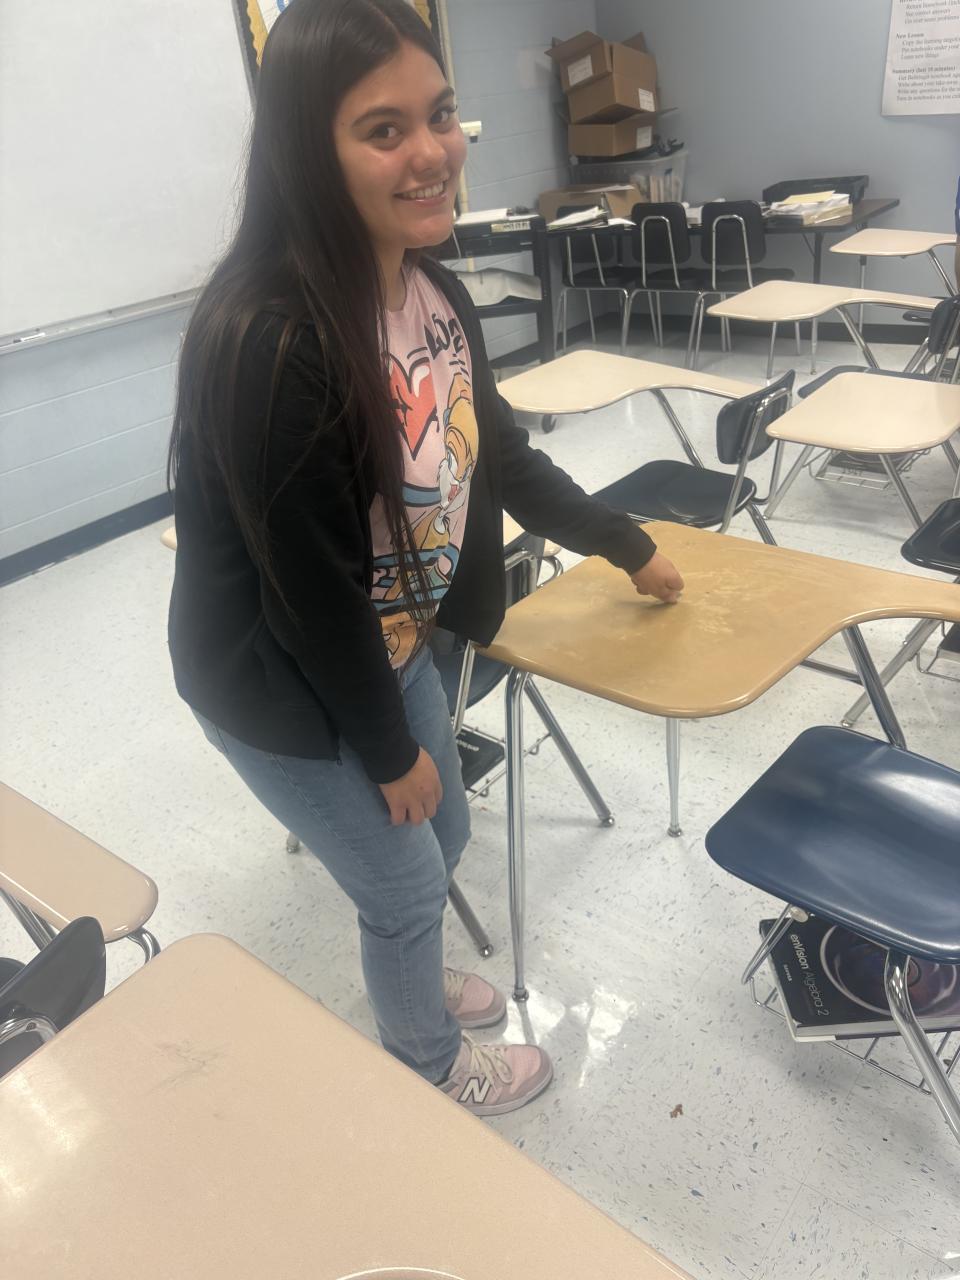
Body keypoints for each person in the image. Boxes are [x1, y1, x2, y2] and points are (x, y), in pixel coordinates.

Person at [168, 0, 684, 1116]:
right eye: (383, 129)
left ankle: (410, 961)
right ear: (310, 150)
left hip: (391, 641)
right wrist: (386, 745)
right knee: (406, 881)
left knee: (443, 826)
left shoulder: (434, 289)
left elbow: (497, 456)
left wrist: (623, 543)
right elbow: (309, 598)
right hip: (278, 676)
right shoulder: (275, 342)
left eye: (441, 115)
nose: (433, 152)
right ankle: (428, 1060)